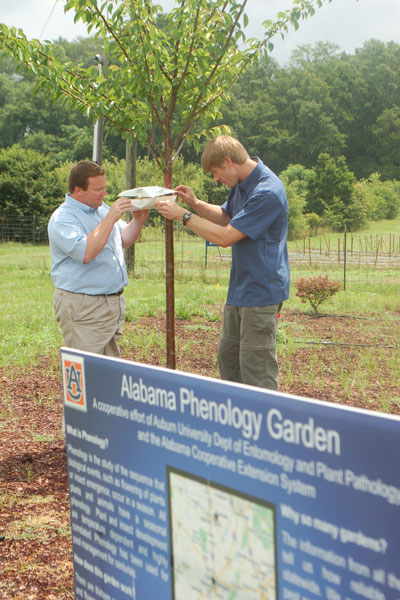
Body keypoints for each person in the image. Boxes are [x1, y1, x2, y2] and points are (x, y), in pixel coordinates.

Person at [156, 135, 289, 390]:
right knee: (229, 359)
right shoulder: (240, 185)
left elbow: (227, 235)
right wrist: (194, 204)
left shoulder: (268, 191)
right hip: (240, 289)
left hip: (261, 291)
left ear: (228, 161)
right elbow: (225, 215)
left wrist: (184, 216)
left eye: (216, 172)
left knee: (255, 367)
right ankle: (238, 420)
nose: (216, 179)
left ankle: (263, 423)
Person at [48, 160, 149, 358]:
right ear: (78, 190)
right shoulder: (63, 219)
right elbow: (86, 252)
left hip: (110, 305)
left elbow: (123, 239)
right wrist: (110, 218)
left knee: (107, 370)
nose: (104, 193)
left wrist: (138, 221)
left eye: (104, 188)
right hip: (84, 307)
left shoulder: (101, 210)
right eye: (98, 189)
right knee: (87, 371)